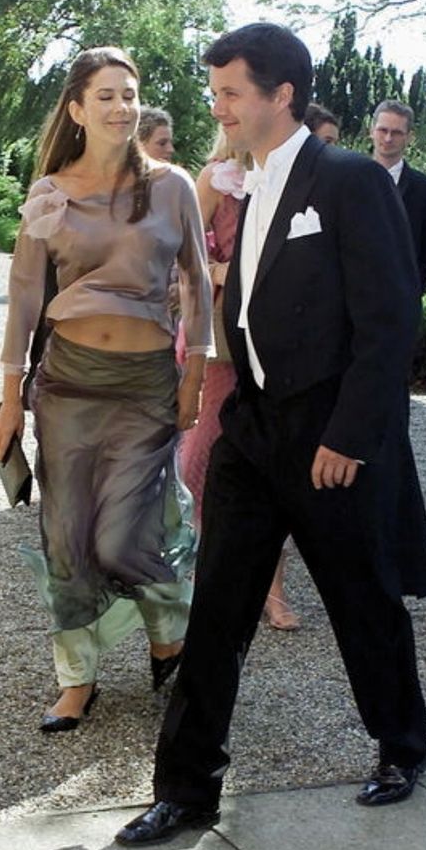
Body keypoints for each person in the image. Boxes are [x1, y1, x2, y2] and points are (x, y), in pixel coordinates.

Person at [116, 23, 426, 847]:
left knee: (362, 603)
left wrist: (352, 435)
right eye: (216, 91)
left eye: (229, 93)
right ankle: (186, 790)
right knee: (218, 611)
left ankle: (402, 747)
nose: (216, 107)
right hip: (252, 430)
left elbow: (389, 319)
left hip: (329, 440)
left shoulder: (350, 180)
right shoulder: (240, 185)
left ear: (279, 94)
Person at [0, 47, 213, 731]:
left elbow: (197, 283)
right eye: (106, 95)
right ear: (78, 109)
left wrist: (196, 376)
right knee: (66, 536)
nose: (123, 106)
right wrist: (9, 393)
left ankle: (170, 632)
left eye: (130, 93)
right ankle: (77, 680)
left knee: (120, 538)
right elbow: (26, 293)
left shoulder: (173, 185)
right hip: (67, 384)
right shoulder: (50, 192)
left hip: (146, 383)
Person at [180, 127, 300, 631]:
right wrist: (228, 270)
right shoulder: (214, 179)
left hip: (281, 340)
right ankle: (201, 571)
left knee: (271, 462)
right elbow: (183, 261)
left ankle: (272, 589)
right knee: (203, 455)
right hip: (226, 339)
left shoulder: (296, 179)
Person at [370, 100, 426, 290]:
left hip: (401, 299)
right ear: (371, 131)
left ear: (409, 137)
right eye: (383, 130)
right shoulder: (347, 179)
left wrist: (411, 291)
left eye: (396, 133)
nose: (388, 138)